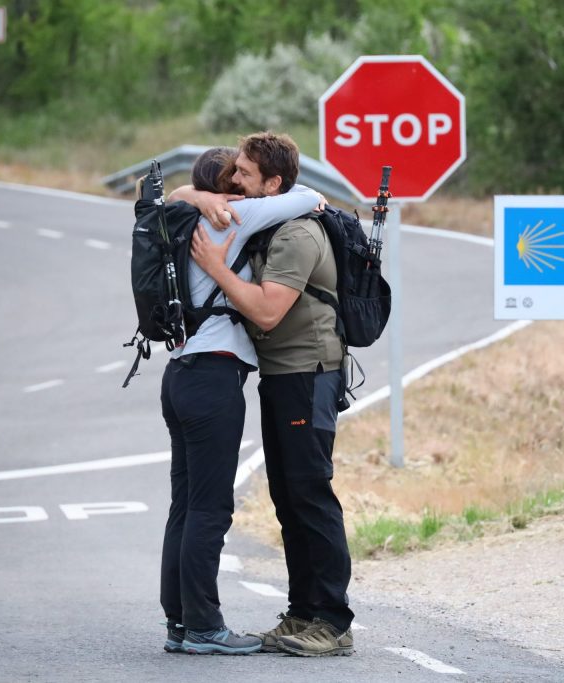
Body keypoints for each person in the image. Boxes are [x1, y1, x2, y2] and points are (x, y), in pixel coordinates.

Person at [185, 131, 355, 657]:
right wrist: (200, 195)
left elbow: (265, 311)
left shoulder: (298, 235)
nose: (233, 180)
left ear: (273, 183)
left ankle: (333, 620)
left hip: (308, 373)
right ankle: (302, 612)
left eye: (243, 174)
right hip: (283, 376)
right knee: (288, 496)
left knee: (310, 494)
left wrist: (214, 268)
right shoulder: (275, 221)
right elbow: (174, 196)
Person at [155, 145, 324, 655]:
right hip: (213, 376)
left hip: (179, 372)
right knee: (210, 509)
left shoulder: (176, 218)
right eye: (234, 174)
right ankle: (206, 627)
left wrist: (190, 192)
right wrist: (215, 197)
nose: (238, 181)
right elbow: (310, 195)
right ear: (221, 187)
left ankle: (179, 624)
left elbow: (167, 197)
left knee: (183, 507)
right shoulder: (232, 215)